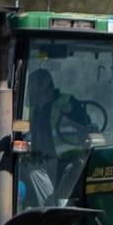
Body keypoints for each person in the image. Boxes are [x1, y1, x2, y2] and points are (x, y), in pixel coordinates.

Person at [24, 68, 92, 205]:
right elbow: (24, 134)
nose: (29, 91)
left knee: (62, 200)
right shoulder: (31, 110)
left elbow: (86, 124)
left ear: (43, 87)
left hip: (68, 160)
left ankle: (55, 215)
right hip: (41, 163)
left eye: (31, 87)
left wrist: (72, 114)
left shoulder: (69, 102)